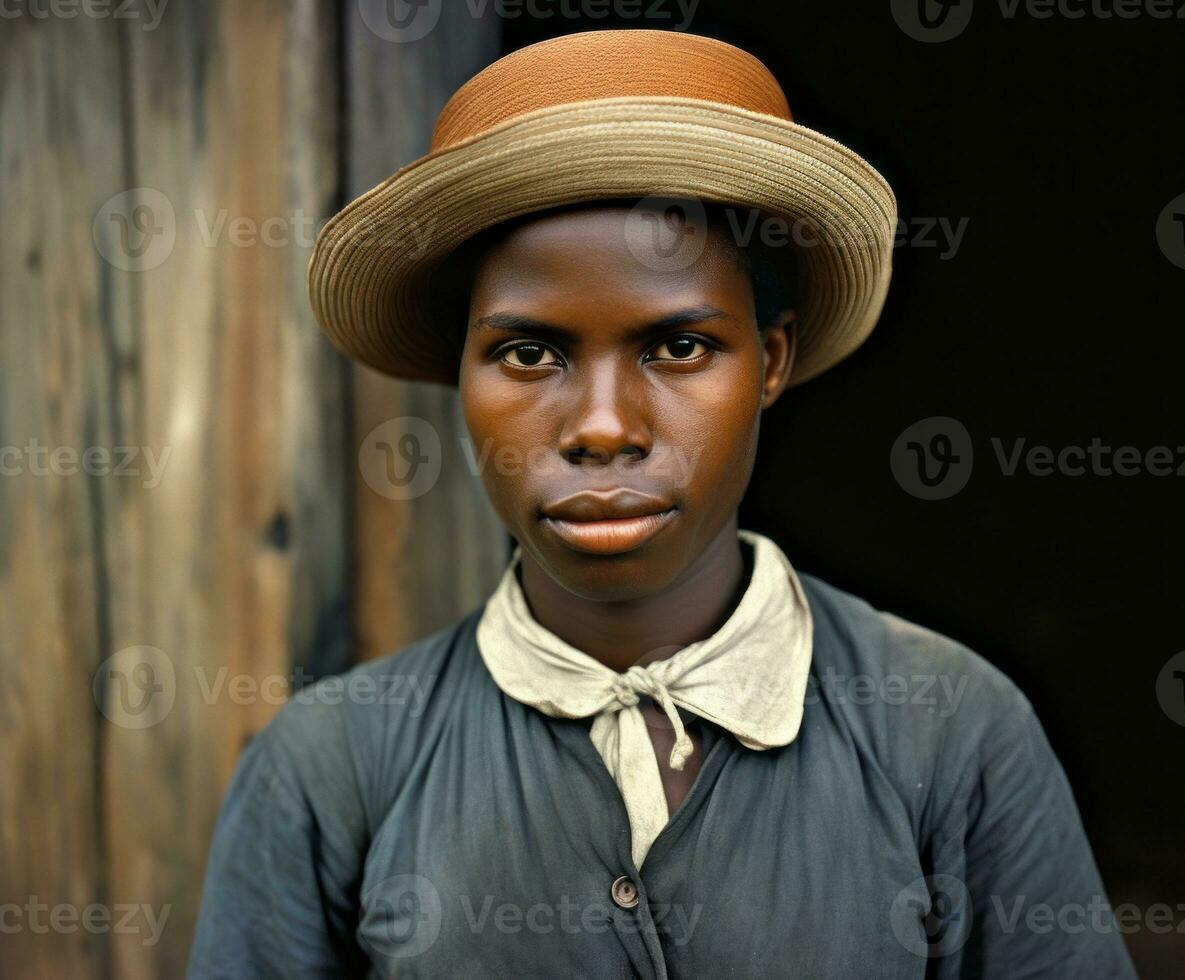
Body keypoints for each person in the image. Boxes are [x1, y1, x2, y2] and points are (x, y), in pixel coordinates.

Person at [189, 29, 1137, 978]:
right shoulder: (329, 771)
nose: (602, 427)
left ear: (770, 361)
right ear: (461, 374)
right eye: (528, 354)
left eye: (677, 348)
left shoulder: (952, 729)